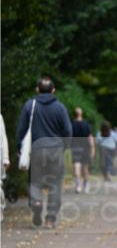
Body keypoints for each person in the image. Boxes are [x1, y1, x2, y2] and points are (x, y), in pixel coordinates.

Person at [16, 76, 72, 227]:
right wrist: (64, 147)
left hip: (36, 149)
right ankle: (50, 218)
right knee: (55, 183)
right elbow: (68, 130)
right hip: (56, 150)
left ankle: (36, 202)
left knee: (35, 181)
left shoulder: (30, 105)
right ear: (53, 90)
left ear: (37, 89)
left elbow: (21, 130)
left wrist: (19, 149)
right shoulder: (60, 108)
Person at [70, 108, 95, 193]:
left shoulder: (71, 125)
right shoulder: (86, 124)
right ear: (81, 114)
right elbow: (90, 137)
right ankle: (86, 185)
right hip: (85, 148)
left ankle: (78, 185)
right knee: (85, 168)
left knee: (77, 166)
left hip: (75, 147)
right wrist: (92, 148)